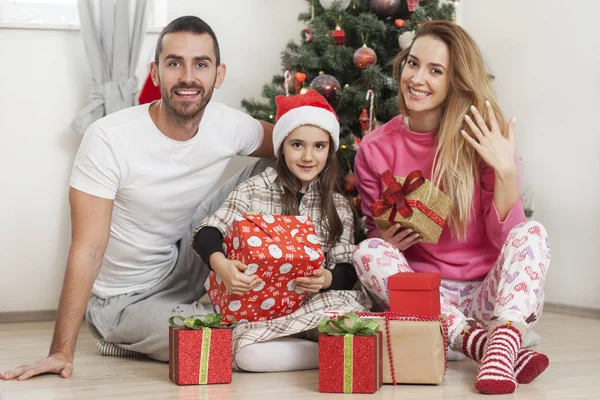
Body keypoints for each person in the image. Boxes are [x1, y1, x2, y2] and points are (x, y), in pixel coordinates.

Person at [0, 15, 275, 381]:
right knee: (209, 341)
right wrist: (60, 352)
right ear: (156, 73)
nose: (188, 77)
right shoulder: (109, 138)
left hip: (187, 257)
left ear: (218, 75)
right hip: (123, 299)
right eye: (175, 63)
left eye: (201, 64)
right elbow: (88, 249)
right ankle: (125, 333)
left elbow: (298, 144)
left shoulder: (230, 125)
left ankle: (288, 290)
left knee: (288, 159)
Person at [351, 21, 551, 395]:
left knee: (533, 233)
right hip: (428, 297)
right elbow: (374, 232)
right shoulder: (375, 147)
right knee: (367, 252)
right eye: (413, 64)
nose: (417, 79)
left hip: (490, 297)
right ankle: (485, 346)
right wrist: (388, 239)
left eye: (435, 70)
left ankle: (500, 336)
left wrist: (505, 171)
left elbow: (508, 237)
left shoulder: (482, 136)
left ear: (455, 80)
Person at [192, 89, 366, 372]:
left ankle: (325, 347)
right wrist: (221, 266)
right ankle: (335, 353)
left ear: (330, 150)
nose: (308, 156)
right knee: (246, 355)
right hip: (260, 313)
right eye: (297, 144)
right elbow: (207, 231)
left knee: (349, 320)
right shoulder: (253, 189)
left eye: (319, 146)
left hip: (316, 306)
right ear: (282, 145)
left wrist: (326, 278)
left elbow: (347, 267)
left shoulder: (338, 206)